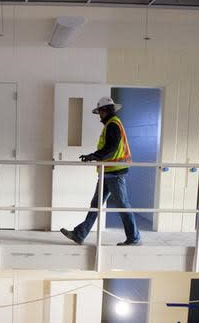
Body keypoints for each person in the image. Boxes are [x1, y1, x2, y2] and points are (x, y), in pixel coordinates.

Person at [60, 96, 141, 246]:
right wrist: (94, 157)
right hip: (108, 172)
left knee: (123, 205)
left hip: (115, 173)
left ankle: (134, 237)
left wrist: (93, 156)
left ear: (104, 111)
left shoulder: (113, 125)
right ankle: (80, 234)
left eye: (100, 113)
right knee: (96, 204)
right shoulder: (111, 124)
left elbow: (111, 148)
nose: (99, 116)